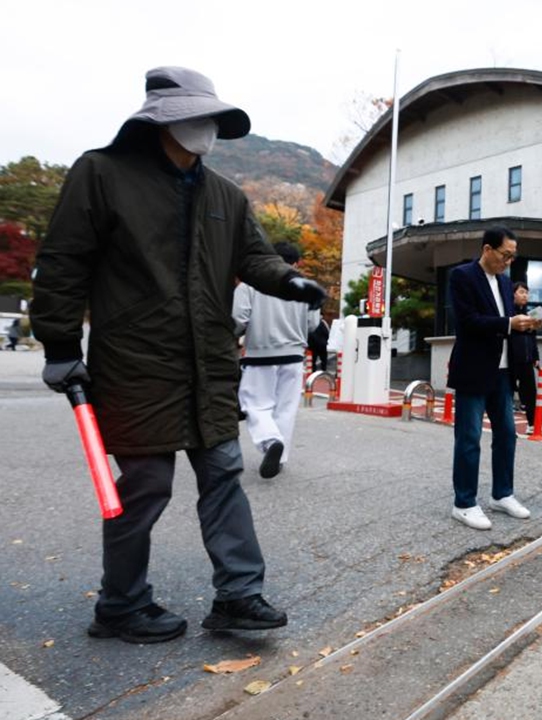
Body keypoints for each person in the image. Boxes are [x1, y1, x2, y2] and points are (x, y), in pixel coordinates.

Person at [30, 66, 327, 644]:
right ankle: (120, 604)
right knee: (144, 487)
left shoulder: (225, 195)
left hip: (210, 367)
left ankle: (239, 595)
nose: (207, 130)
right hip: (136, 365)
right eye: (195, 118)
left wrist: (292, 282)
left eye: (211, 119)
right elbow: (63, 263)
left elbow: (255, 258)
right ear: (161, 120)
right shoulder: (102, 174)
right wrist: (61, 347)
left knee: (223, 474)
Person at [447, 226, 541, 530]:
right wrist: (510, 324)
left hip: (503, 370)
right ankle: (463, 503)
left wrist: (522, 325)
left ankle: (502, 494)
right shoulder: (461, 276)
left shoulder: (503, 282)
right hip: (472, 368)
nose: (508, 262)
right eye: (505, 255)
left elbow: (504, 324)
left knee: (506, 435)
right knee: (469, 437)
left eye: (513, 256)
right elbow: (468, 322)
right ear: (488, 249)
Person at [234, 241, 321, 479]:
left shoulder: (250, 285)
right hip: (294, 356)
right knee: (285, 408)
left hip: (260, 354)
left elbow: (238, 319)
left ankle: (269, 440)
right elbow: (313, 325)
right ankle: (279, 458)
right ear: (298, 263)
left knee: (254, 403)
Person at [509, 281, 540, 434]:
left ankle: (532, 425)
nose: (525, 295)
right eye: (521, 292)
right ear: (513, 294)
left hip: (527, 360)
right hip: (510, 359)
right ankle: (506, 426)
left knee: (530, 393)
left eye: (526, 292)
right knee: (507, 392)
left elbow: (533, 337)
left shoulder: (531, 314)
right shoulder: (508, 312)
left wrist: (536, 356)